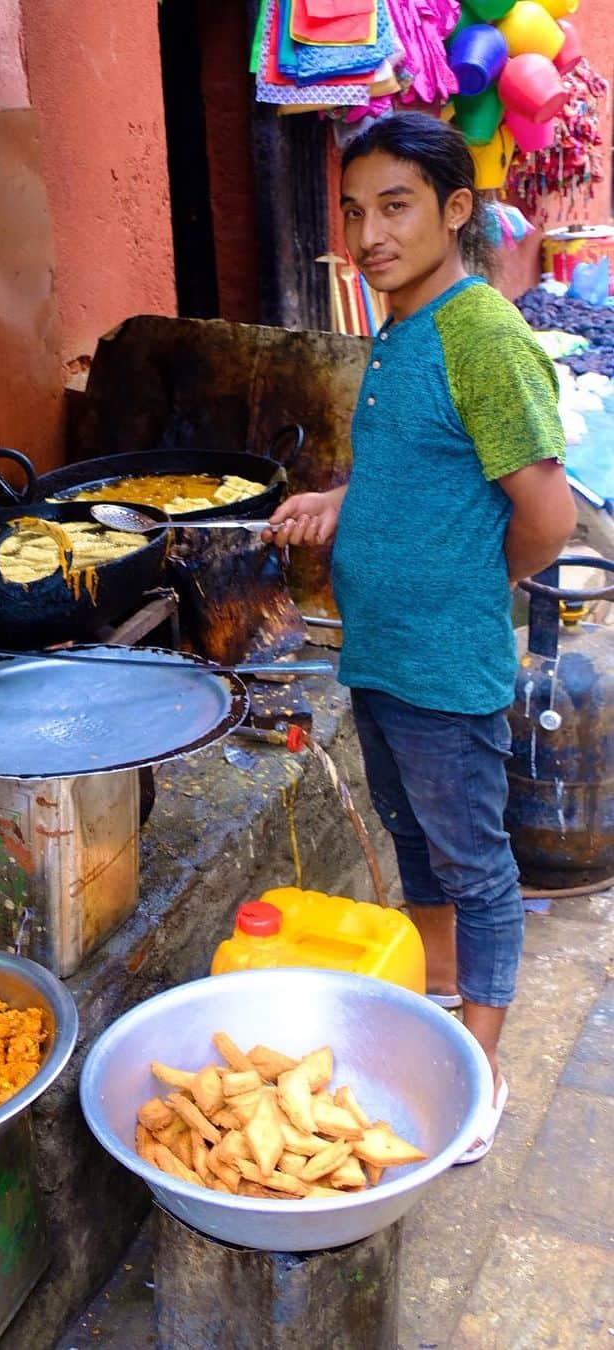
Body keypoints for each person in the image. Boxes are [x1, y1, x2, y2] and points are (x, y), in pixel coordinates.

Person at [266, 112, 576, 1163]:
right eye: (354, 211)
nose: (369, 234)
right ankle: (439, 1009)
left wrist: (461, 588)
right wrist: (345, 501)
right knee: (419, 853)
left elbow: (550, 516)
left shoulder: (485, 335)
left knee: (477, 867)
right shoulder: (402, 331)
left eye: (395, 206)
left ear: (456, 210)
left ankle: (479, 1071)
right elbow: (424, 469)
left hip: (444, 663)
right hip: (381, 657)